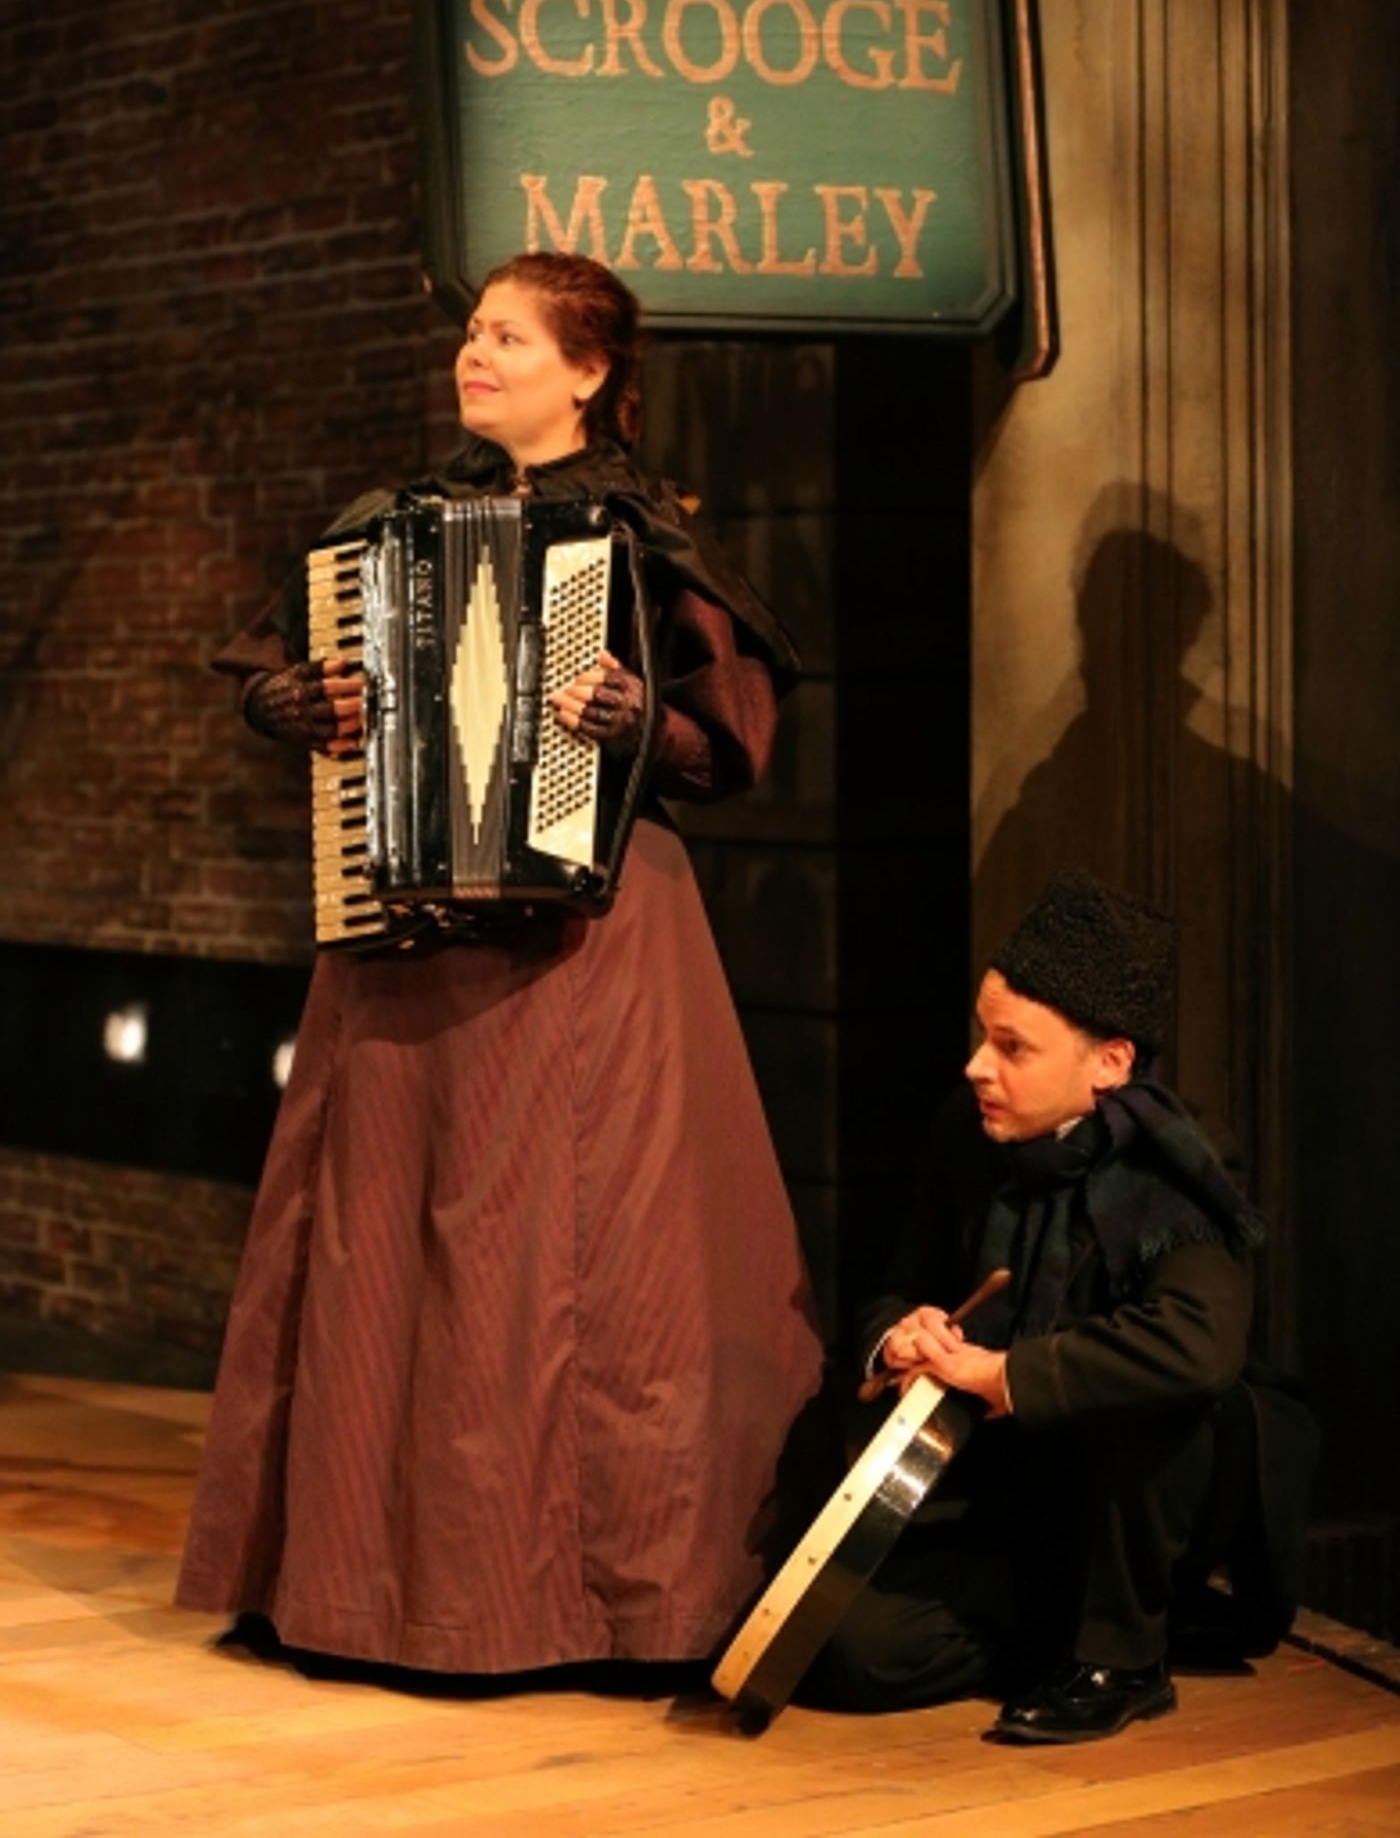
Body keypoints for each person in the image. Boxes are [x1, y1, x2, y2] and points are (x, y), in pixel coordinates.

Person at [175, 250, 824, 1676]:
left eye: (510, 337)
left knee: (581, 1258)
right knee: (383, 1244)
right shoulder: (393, 523)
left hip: (589, 944)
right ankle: (357, 1585)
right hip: (407, 943)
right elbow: (275, 675)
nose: (477, 356)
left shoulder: (649, 536)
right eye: (473, 333)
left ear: (589, 372)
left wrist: (636, 710)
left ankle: (595, 1595)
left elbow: (732, 749)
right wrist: (300, 700)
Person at [802, 869, 1316, 1743]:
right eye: (981, 1037)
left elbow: (1197, 1346)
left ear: (1110, 1062)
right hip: (1016, 1493)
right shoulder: (963, 1133)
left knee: (1146, 1391)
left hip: (1152, 1489)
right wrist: (903, 1336)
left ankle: (1125, 1656)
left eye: (1013, 1048)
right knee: (850, 1651)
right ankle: (1061, 1634)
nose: (977, 1067)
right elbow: (894, 1285)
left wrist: (1006, 1374)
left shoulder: (1178, 1164)